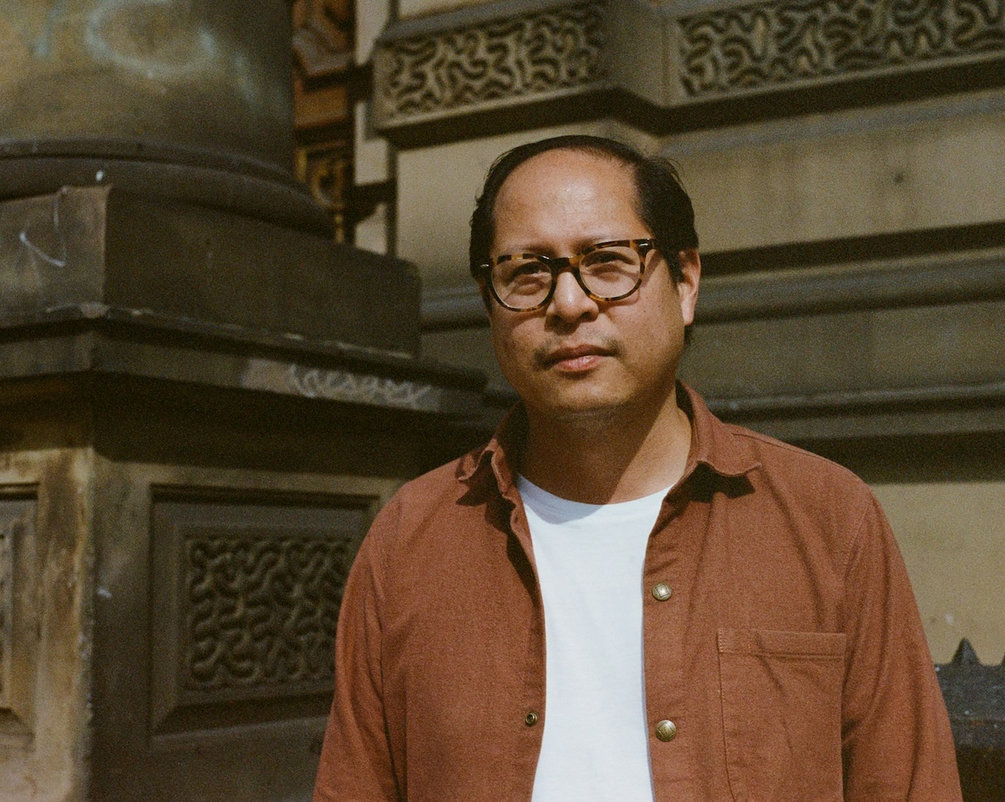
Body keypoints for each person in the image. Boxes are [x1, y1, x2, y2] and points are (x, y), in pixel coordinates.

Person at [314, 134, 962, 801]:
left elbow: (909, 785)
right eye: (527, 272)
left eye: (607, 262)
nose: (569, 304)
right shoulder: (412, 538)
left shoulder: (826, 518)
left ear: (685, 283)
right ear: (490, 304)